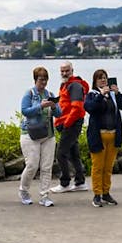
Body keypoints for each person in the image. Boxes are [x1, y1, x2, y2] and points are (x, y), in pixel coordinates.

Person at [85, 68, 122, 207]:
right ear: (95, 81)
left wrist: (117, 93)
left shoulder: (113, 96)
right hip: (98, 136)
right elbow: (90, 108)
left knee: (108, 167)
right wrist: (101, 95)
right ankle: (97, 194)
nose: (103, 80)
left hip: (113, 134)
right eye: (100, 78)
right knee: (98, 167)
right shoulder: (92, 95)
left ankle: (106, 193)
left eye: (105, 78)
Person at [18, 66, 61, 207]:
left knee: (47, 167)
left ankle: (44, 196)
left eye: (45, 80)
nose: (43, 83)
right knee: (32, 165)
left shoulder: (50, 93)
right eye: (41, 80)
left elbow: (59, 114)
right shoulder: (29, 94)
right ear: (35, 79)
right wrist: (40, 106)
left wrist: (54, 106)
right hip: (30, 134)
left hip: (48, 135)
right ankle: (23, 191)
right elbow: (25, 111)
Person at [51, 61, 90, 193]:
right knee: (73, 154)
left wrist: (66, 123)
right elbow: (64, 102)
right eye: (62, 71)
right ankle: (80, 182)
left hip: (72, 123)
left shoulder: (74, 86)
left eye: (67, 70)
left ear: (72, 70)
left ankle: (65, 183)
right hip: (69, 122)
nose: (64, 73)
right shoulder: (66, 85)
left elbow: (77, 107)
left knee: (61, 154)